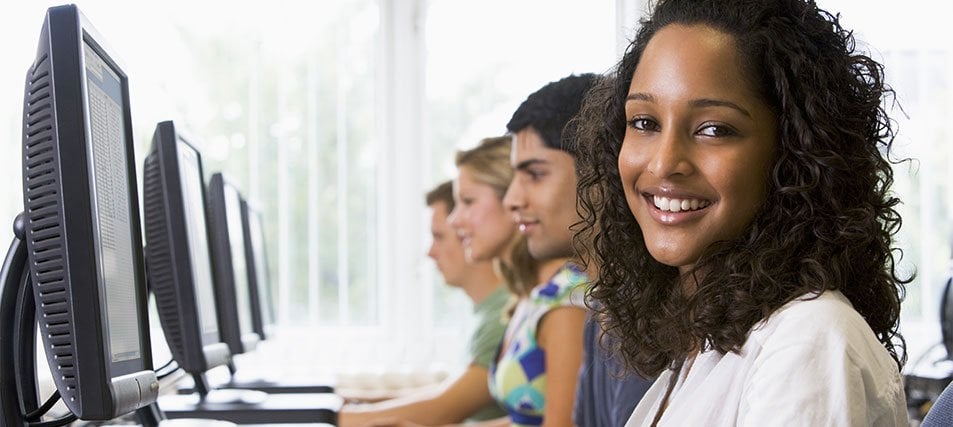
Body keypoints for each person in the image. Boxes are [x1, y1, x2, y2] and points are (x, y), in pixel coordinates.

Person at [574, 0, 909, 425]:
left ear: (795, 154)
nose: (663, 163)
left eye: (714, 129)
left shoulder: (808, 341)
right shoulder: (698, 353)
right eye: (644, 122)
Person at [502, 73, 653, 427]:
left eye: (535, 174)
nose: (511, 199)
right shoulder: (602, 307)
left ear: (600, 170)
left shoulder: (646, 321)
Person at [339, 180, 509, 425]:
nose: (430, 252)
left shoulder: (502, 315)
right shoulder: (486, 311)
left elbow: (444, 410)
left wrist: (329, 417)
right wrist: (352, 402)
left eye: (439, 237)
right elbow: (443, 394)